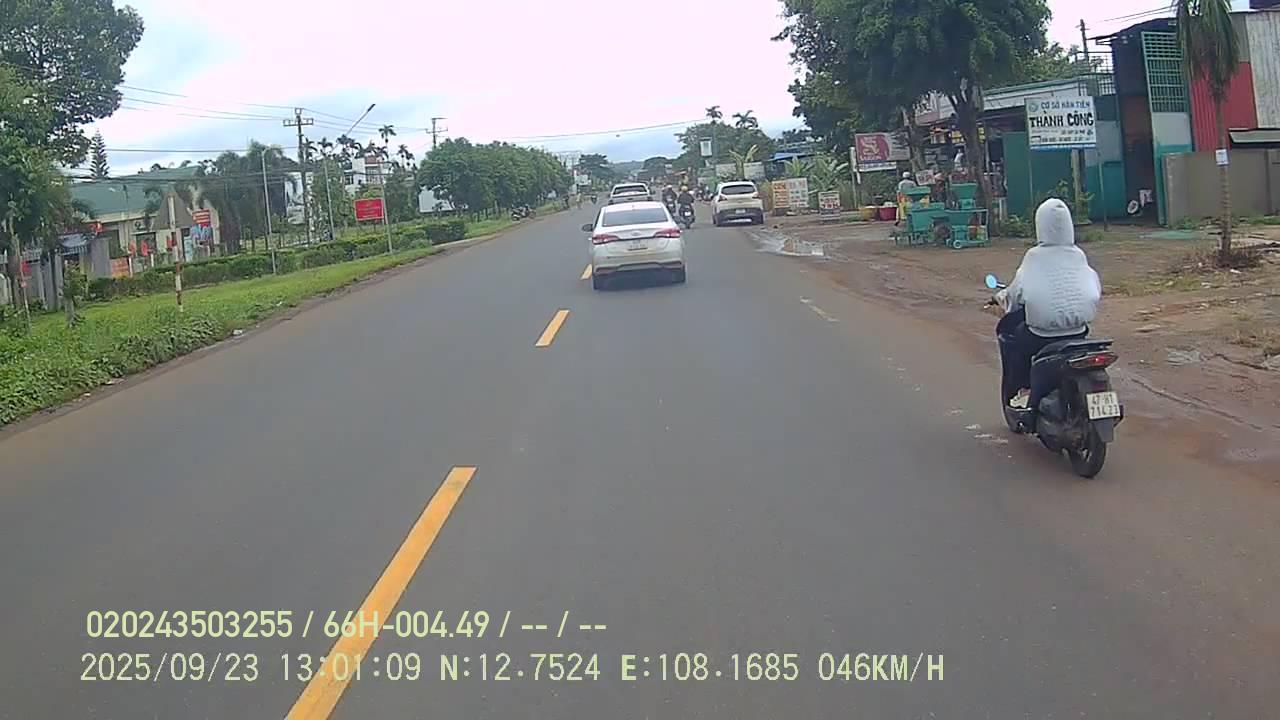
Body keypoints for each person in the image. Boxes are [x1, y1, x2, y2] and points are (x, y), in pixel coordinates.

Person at [995, 198, 1102, 409]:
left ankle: (1023, 391)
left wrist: (1002, 299)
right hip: (1079, 332)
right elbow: (1094, 289)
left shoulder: (1034, 257)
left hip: (1041, 335)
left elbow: (1016, 294)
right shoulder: (1078, 255)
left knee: (1016, 347)